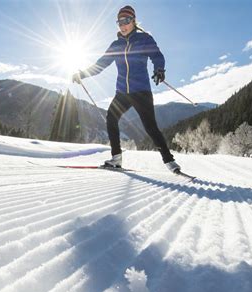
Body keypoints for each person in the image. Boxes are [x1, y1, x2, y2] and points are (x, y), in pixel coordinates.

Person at [72, 5, 181, 173]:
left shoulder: (144, 39)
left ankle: (170, 162)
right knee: (111, 118)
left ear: (133, 21)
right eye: (120, 22)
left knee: (150, 127)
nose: (123, 25)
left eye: (126, 21)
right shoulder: (116, 45)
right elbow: (100, 65)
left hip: (141, 91)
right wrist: (82, 74)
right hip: (122, 92)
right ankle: (116, 158)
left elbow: (157, 56)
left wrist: (159, 69)